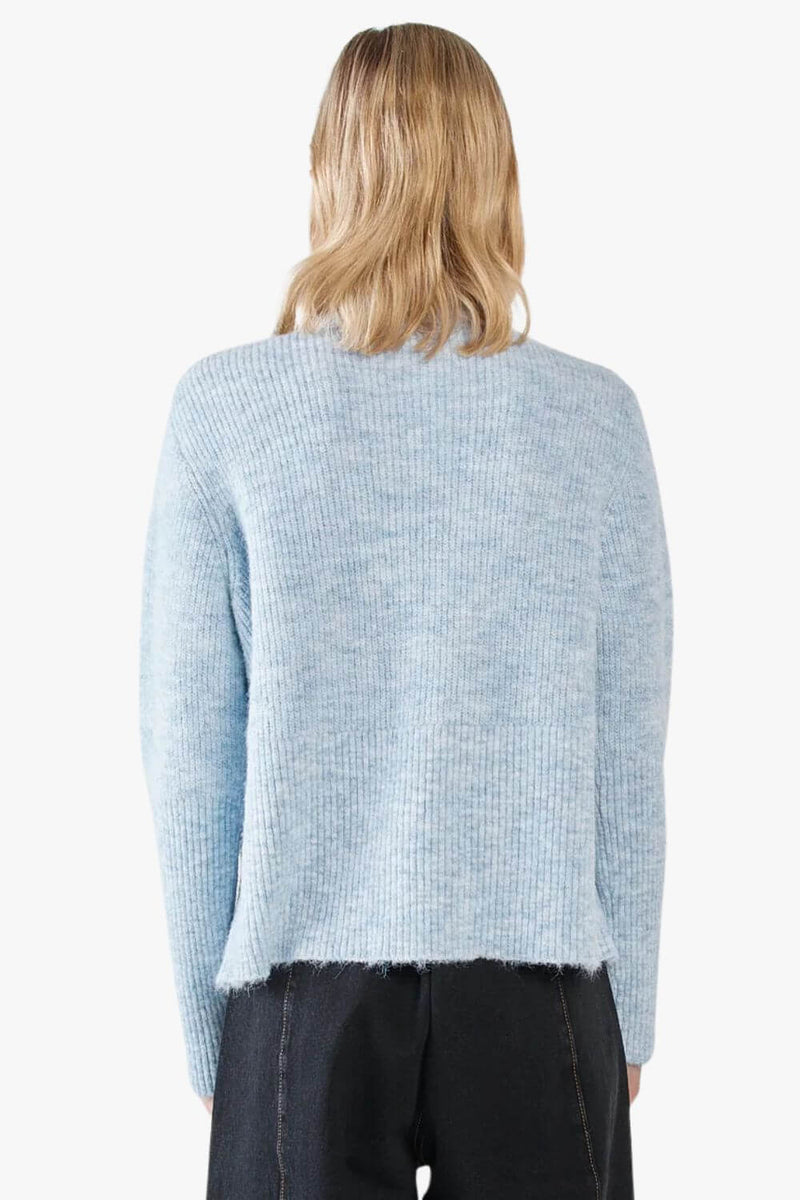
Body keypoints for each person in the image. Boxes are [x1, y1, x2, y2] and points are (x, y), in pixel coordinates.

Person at [139, 22, 672, 1200]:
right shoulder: (593, 420)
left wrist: (211, 1035)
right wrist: (626, 1013)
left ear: (327, 170)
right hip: (541, 989)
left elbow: (190, 754)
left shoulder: (227, 411)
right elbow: (626, 752)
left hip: (300, 995)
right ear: (497, 175)